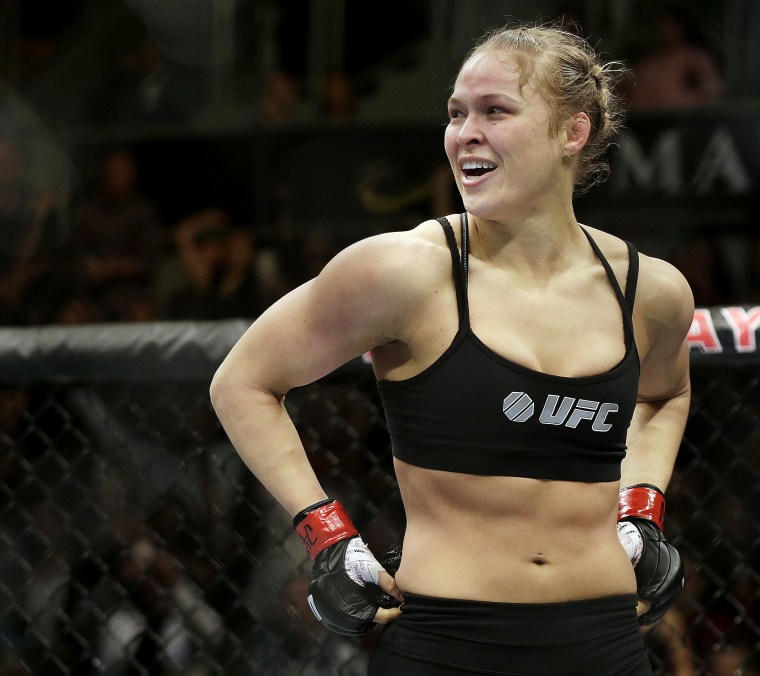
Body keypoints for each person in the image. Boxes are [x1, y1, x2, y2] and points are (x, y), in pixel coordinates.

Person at [210, 23, 693, 675]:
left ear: (571, 133)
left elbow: (665, 395)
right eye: (456, 113)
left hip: (603, 643)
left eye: (495, 110)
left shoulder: (650, 291)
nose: (465, 132)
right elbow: (243, 381)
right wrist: (324, 534)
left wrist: (643, 508)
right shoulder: (405, 272)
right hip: (449, 645)